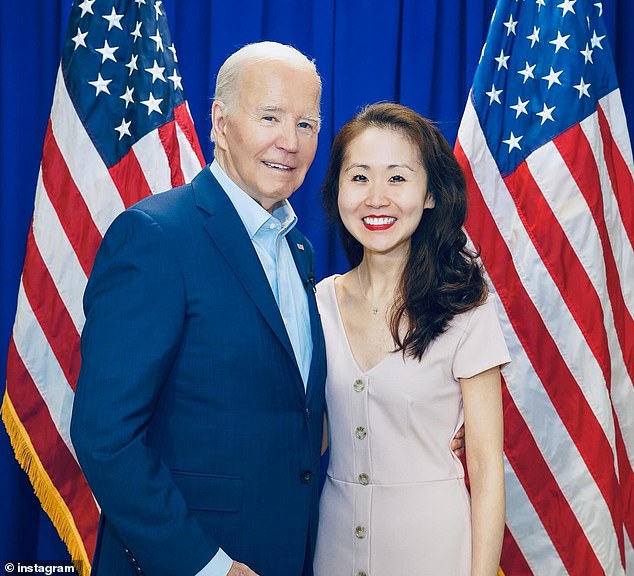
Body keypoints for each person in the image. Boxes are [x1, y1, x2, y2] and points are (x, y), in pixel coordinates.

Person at [70, 42, 327, 576]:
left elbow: (290, 411)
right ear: (220, 121)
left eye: (306, 123)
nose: (290, 142)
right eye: (270, 117)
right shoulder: (156, 237)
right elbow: (106, 436)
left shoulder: (299, 248)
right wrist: (208, 566)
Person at [313, 103, 510, 576]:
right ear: (337, 190)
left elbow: (485, 469)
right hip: (334, 549)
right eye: (359, 177)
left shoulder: (465, 306)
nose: (376, 198)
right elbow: (306, 438)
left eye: (397, 178)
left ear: (430, 196)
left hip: (435, 551)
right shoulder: (315, 303)